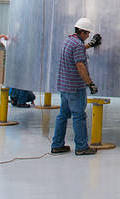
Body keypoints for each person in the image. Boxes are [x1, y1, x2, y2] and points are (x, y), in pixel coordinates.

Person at [51, 17, 101, 155]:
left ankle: (57, 145)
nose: (88, 36)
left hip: (65, 86)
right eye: (88, 34)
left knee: (62, 115)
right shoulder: (78, 45)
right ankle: (81, 147)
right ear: (83, 32)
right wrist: (90, 83)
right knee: (79, 116)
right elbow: (80, 65)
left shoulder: (69, 41)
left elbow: (77, 50)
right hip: (75, 88)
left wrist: (90, 45)